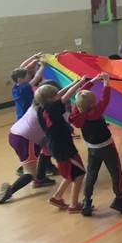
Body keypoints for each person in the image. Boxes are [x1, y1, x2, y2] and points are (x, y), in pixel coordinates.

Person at [69, 73, 122, 216]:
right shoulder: (95, 112)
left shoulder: (76, 114)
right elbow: (105, 98)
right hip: (107, 146)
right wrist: (106, 82)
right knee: (115, 172)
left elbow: (79, 94)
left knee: (92, 174)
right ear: (91, 104)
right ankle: (119, 198)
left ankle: (87, 201)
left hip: (92, 149)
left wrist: (93, 80)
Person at [36, 78, 92, 212]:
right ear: (50, 99)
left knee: (70, 173)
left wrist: (74, 82)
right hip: (63, 147)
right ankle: (74, 205)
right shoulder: (53, 108)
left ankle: (57, 197)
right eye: (55, 95)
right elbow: (65, 96)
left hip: (56, 145)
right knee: (79, 173)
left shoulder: (42, 108)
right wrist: (80, 83)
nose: (58, 95)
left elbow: (60, 94)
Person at [0, 103, 56, 205]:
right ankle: (10, 191)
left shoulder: (35, 105)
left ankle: (40, 177)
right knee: (29, 173)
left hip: (14, 133)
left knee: (46, 149)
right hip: (26, 139)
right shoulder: (51, 111)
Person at [11, 53, 45, 120]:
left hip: (22, 115)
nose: (29, 76)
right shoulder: (24, 89)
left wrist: (33, 57)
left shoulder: (15, 88)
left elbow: (22, 68)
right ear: (20, 80)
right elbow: (36, 78)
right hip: (25, 116)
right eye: (27, 76)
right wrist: (43, 66)